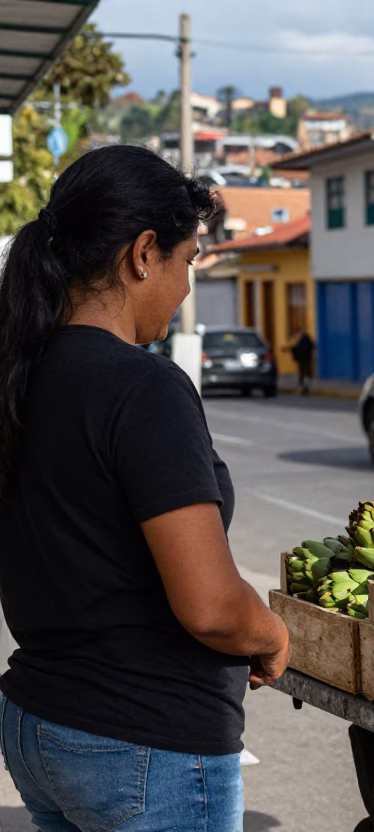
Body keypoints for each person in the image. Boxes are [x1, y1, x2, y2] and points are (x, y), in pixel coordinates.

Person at [0, 145, 290, 831]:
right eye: (188, 262)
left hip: (42, 723)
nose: (187, 286)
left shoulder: (20, 373)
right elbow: (213, 606)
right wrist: (272, 633)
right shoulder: (144, 388)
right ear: (142, 253)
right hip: (144, 742)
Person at [289, 328, 315, 395]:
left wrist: (293, 349)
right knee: (304, 374)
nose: (296, 336)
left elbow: (301, 349)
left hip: (304, 360)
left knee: (304, 374)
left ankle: (305, 388)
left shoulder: (304, 339)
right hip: (304, 360)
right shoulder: (303, 339)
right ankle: (304, 388)